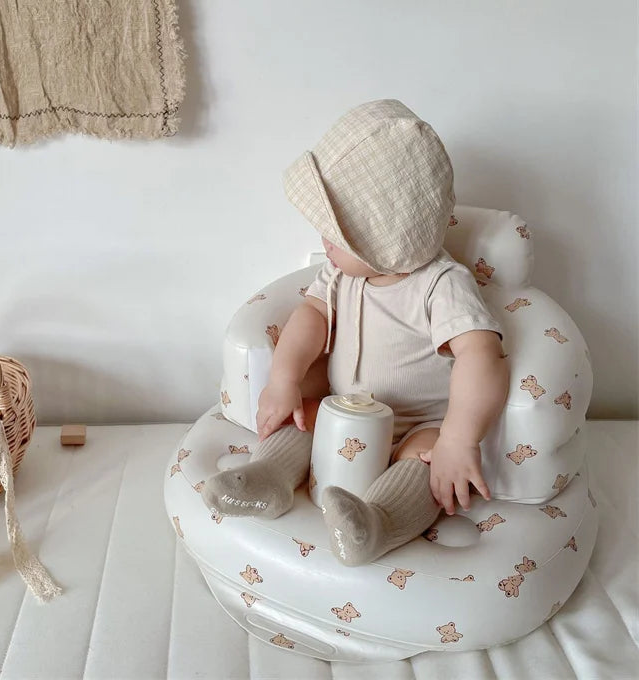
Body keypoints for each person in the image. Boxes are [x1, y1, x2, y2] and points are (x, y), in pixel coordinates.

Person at [202, 99, 509, 566]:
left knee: (425, 464)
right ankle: (268, 478)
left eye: (337, 233)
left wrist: (458, 439)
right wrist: (284, 379)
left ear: (384, 238)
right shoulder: (341, 274)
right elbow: (310, 317)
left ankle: (375, 523)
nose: (324, 241)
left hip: (418, 425)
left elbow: (480, 355)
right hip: (340, 410)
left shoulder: (441, 284)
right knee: (303, 419)